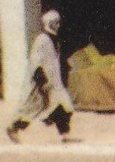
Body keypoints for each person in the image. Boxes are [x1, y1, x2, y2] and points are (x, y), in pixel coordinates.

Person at [6, 10, 77, 144]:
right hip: (44, 82)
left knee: (65, 107)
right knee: (33, 109)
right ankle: (14, 127)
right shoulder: (42, 40)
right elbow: (35, 63)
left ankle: (65, 135)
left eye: (58, 22)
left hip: (55, 83)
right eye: (54, 22)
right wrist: (42, 81)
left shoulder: (55, 40)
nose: (57, 25)